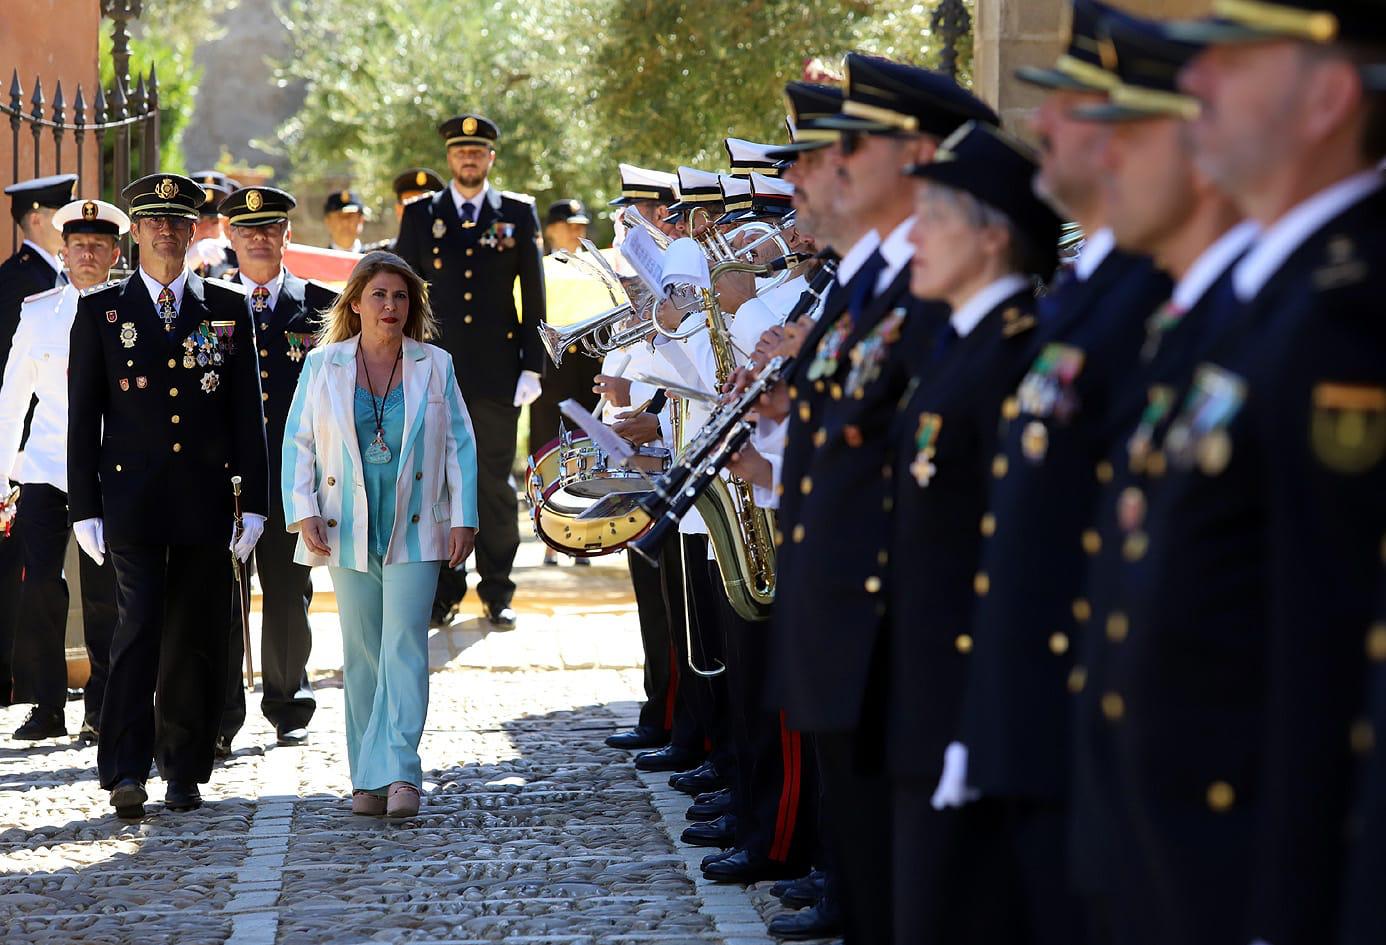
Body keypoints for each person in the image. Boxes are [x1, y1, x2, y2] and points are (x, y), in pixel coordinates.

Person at [1080, 4, 1386, 943]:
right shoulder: (1268, 302)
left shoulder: (1350, 311)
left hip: (1260, 870)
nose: (1196, 85)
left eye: (1230, 64)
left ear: (1329, 96)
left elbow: (1336, 654)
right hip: (1181, 847)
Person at [67, 172, 269, 818]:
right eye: (153, 221)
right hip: (130, 498)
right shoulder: (102, 311)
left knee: (193, 633)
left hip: (202, 499)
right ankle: (126, 765)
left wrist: (257, 500)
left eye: (177, 222)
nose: (165, 231)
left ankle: (183, 766)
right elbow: (83, 418)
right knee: (139, 626)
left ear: (192, 231)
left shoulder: (227, 308)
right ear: (137, 232)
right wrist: (83, 506)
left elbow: (247, 414)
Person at [281, 251, 478, 818]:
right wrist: (304, 509)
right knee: (362, 652)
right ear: (356, 303)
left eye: (400, 296)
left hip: (417, 524)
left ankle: (401, 775)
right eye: (379, 296)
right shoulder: (323, 365)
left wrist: (464, 515)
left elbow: (461, 444)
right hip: (346, 524)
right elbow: (300, 443)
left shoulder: (435, 364)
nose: (390, 307)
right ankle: (365, 779)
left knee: (404, 645)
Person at [394, 113, 545, 629]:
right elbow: (402, 295)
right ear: (450, 159)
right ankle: (443, 590)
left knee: (493, 487)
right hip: (433, 371)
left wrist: (533, 366)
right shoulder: (421, 217)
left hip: (497, 372)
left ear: (490, 159)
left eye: (477, 152)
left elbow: (535, 297)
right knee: (434, 484)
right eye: (461, 152)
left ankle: (498, 590)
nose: (469, 159)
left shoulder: (518, 214)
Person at [213, 185, 340, 756]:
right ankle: (222, 709)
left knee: (290, 594)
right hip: (227, 479)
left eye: (270, 229)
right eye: (247, 230)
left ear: (288, 236)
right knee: (223, 595)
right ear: (229, 237)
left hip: (295, 477)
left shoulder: (322, 305)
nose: (259, 238)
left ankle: (288, 703)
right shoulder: (208, 302)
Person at [0, 197, 125, 742]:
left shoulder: (128, 313)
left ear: (116, 252)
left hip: (106, 471)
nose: (88, 255)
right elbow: (12, 398)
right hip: (46, 468)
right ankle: (47, 704)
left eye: (99, 246)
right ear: (63, 252)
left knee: (103, 592)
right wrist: (4, 475)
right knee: (41, 587)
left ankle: (101, 706)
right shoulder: (38, 312)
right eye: (79, 246)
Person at [0, 173, 76, 707]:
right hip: (36, 454)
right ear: (35, 219)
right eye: (60, 214)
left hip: (66, 452)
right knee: (34, 576)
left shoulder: (54, 278)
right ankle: (32, 687)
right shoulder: (22, 282)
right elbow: (12, 382)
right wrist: (13, 459)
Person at [363, 169, 446, 251]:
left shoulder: (450, 252)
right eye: (410, 205)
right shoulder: (381, 257)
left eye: (423, 205)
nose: (416, 211)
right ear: (398, 209)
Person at [187, 170, 238, 277]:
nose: (207, 230)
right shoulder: (170, 256)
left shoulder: (237, 257)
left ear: (224, 223)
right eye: (198, 221)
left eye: (214, 221)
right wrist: (186, 265)